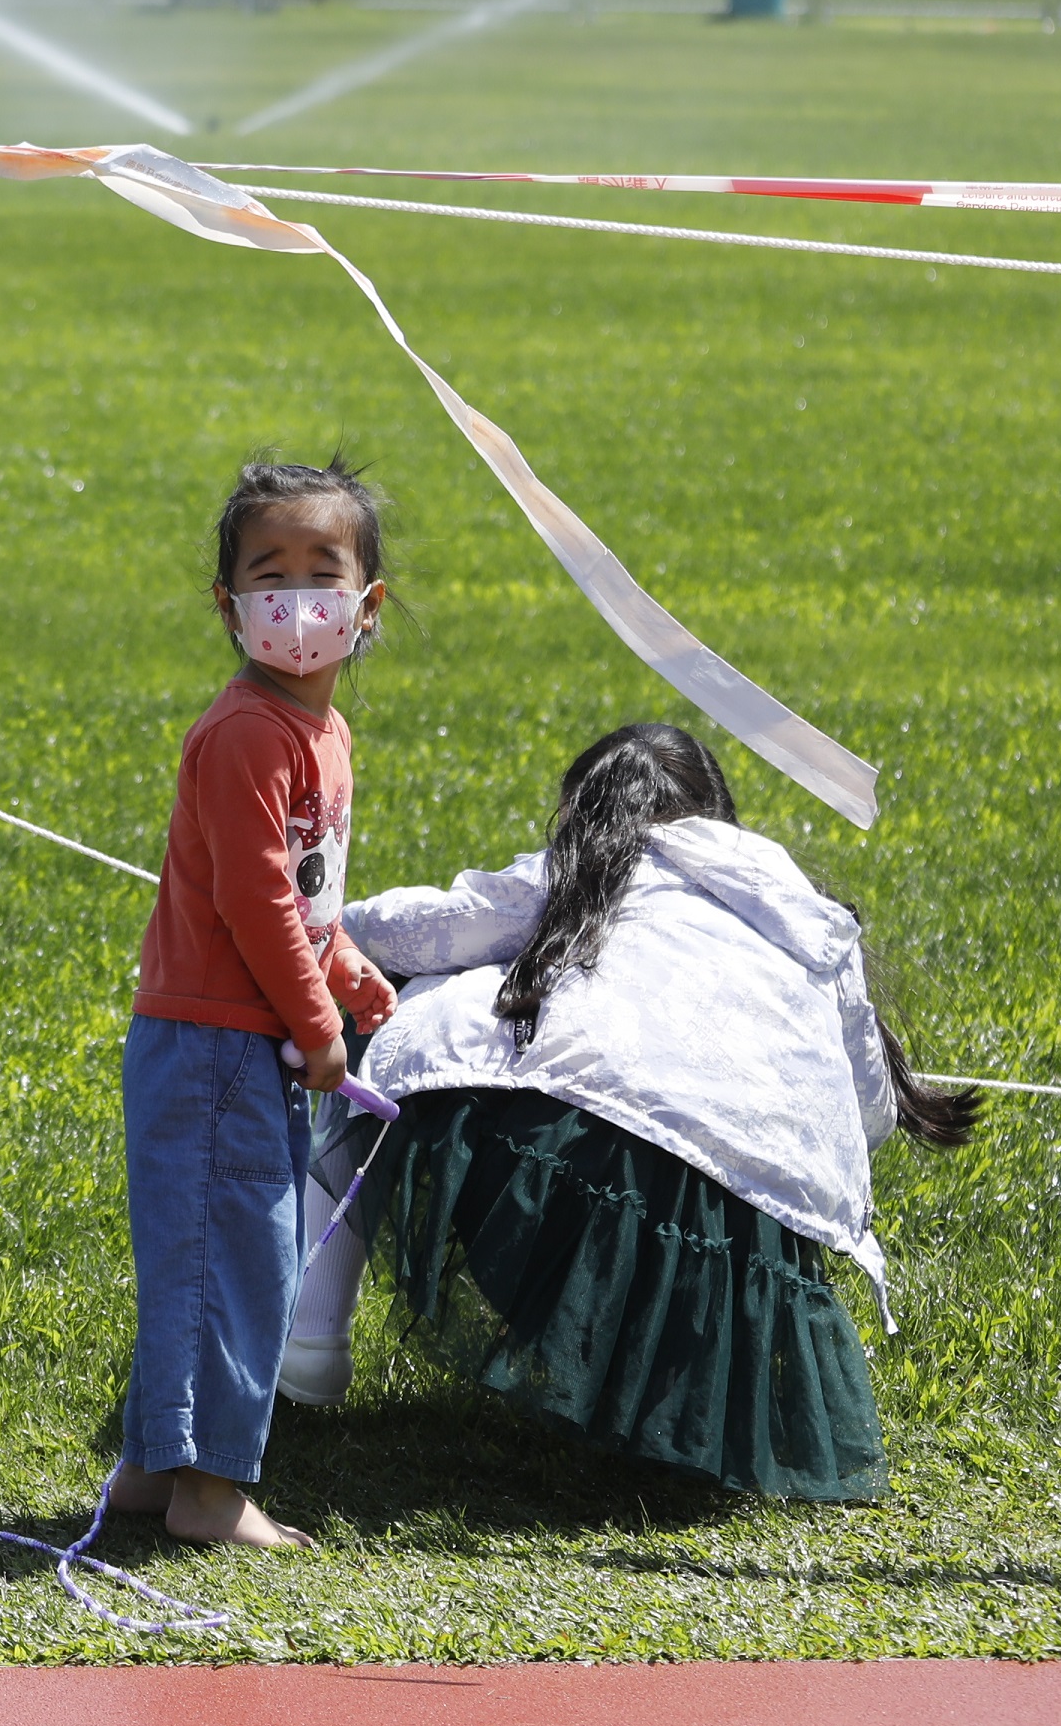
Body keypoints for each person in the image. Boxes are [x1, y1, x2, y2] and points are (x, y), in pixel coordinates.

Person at [288, 721, 976, 1502]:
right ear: (719, 813)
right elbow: (868, 1107)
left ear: (586, 813)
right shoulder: (801, 911)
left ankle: (313, 1334)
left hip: (575, 1175)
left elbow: (425, 927)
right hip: (750, 1232)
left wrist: (314, 926)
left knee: (393, 1010)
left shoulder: (591, 867)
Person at [106, 457, 404, 1550]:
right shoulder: (247, 736)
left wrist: (347, 970)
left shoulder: (321, 736)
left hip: (241, 1046)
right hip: (216, 1049)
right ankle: (209, 1491)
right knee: (230, 1262)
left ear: (366, 604)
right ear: (229, 605)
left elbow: (305, 899)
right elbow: (251, 900)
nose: (295, 598)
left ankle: (151, 1466)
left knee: (217, 1252)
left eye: (321, 570)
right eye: (265, 572)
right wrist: (320, 1026)